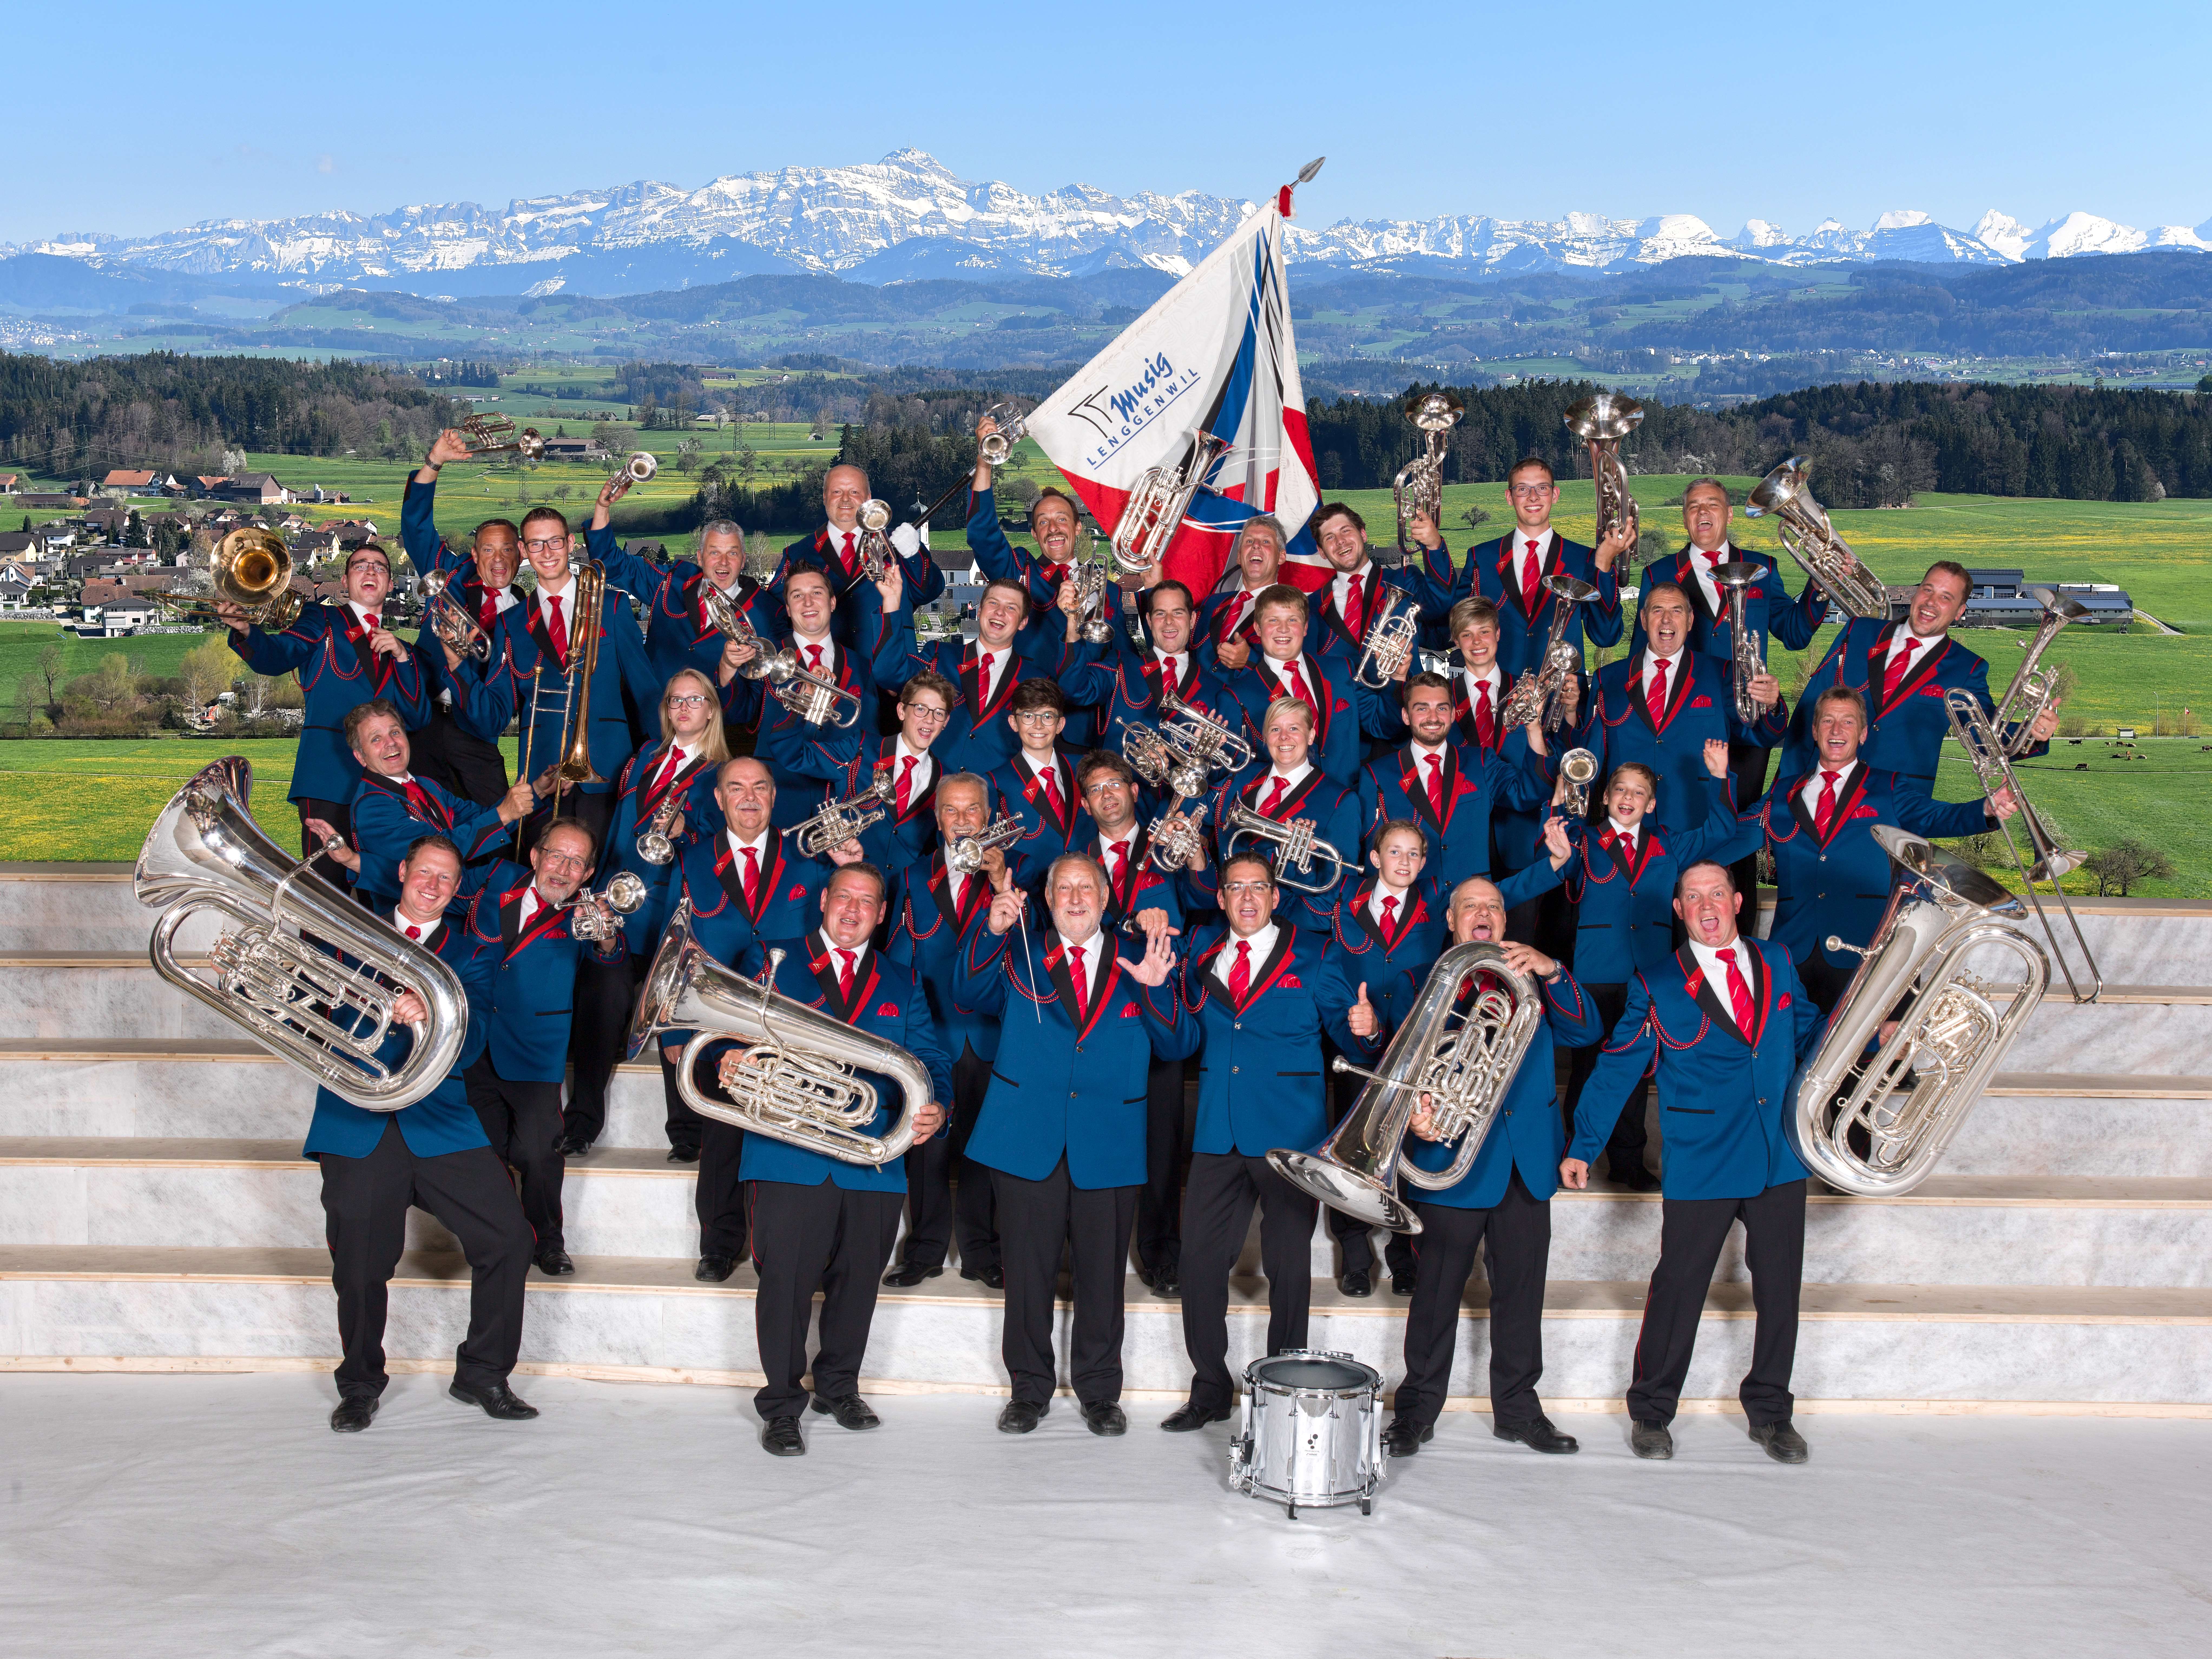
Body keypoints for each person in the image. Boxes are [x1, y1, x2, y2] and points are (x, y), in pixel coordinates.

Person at [1562, 860, 1826, 1464]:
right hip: (1702, 1163)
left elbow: (1808, 1029)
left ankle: (1770, 1412)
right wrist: (1583, 1144)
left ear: (1737, 901)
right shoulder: (1654, 982)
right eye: (1691, 897)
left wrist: (1871, 1032)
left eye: (1715, 893)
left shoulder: (1779, 961)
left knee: (1780, 1293)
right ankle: (1651, 1411)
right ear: (1677, 911)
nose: (1705, 906)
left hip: (1778, 1158)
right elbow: (1616, 1070)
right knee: (1678, 1290)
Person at [956, 855, 1198, 1435]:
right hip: (1024, 1139)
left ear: (1106, 897)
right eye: (1061, 887)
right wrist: (990, 927)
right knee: (1027, 1274)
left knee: (1102, 1276)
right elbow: (967, 992)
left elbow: (1178, 1045)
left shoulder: (1143, 955)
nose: (1073, 897)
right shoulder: (1016, 948)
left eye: (1084, 888)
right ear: (1046, 897)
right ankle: (1028, 1391)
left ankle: (1098, 1392)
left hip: (1108, 1142)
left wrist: (1155, 993)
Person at [308, 834, 536, 1431]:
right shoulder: (348, 929)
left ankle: (484, 1373)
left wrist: (435, 1011)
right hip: (359, 1118)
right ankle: (359, 1383)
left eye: (447, 879)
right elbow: (305, 1008)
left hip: (442, 1122)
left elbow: (479, 1040)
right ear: (403, 871)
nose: (433, 885)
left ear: (457, 891)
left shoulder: (473, 953)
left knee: (509, 1239)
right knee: (359, 1266)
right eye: (425, 872)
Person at [728, 862, 950, 1456]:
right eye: (843, 898)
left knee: (858, 1283)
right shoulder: (773, 962)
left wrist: (937, 1108)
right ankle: (780, 1404)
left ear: (882, 915)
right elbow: (731, 1037)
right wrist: (730, 1062)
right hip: (788, 1156)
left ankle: (837, 1386)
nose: (852, 911)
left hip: (873, 1157)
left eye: (867, 903)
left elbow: (931, 1060)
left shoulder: (903, 981)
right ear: (823, 901)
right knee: (786, 1286)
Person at [1383, 874, 1605, 1460]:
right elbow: (1397, 1072)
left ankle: (1517, 1410)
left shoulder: (1535, 977)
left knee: (1521, 1294)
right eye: (1469, 907)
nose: (1482, 913)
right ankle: (1415, 1411)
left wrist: (1553, 970)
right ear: (1451, 922)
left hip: (1524, 1161)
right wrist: (1415, 1116)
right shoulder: (1422, 984)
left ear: (1505, 922)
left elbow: (1587, 1030)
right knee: (1434, 1295)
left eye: (1493, 907)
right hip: (1451, 1161)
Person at [1163, 852, 1383, 1433]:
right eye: (1234, 888)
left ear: (1274, 895)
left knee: (1288, 1269)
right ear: (1220, 897)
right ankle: (1209, 1388)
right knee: (1200, 1264)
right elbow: (1185, 1037)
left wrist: (1368, 1030)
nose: (1246, 898)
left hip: (1291, 1142)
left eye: (1257, 888)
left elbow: (1353, 1045)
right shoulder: (1200, 955)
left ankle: (1282, 1388)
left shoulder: (1315, 955)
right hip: (1217, 1133)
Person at [670, 758, 865, 1272]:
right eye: (736, 788)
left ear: (775, 797)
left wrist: (849, 862)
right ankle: (719, 1242)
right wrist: (672, 1024)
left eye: (760, 787)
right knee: (723, 1135)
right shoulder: (691, 860)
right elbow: (674, 944)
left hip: (796, 1014)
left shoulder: (809, 857)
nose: (749, 797)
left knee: (794, 1131)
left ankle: (782, 1246)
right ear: (718, 799)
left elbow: (846, 919)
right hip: (718, 1020)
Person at [1743, 686, 2018, 1016]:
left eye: (1847, 722)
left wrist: (1986, 808)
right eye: (1828, 721)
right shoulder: (1784, 790)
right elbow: (1733, 831)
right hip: (1793, 948)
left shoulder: (1889, 786)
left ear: (1862, 735)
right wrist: (1717, 778)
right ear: (1815, 731)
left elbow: (1937, 817)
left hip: (1866, 945)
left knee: (1872, 1051)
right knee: (1791, 1054)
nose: (1836, 730)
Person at [1557, 746, 1756, 1191]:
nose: (1629, 798)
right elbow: (1559, 867)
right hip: (1594, 974)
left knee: (1635, 1068)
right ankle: (1571, 1154)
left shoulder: (1667, 843)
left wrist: (1721, 776)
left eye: (1639, 793)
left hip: (1646, 977)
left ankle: (1628, 1165)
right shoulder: (1583, 840)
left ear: (1651, 804)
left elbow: (1723, 829)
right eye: (1621, 790)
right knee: (1591, 1066)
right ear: (1605, 797)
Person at [1630, 477, 1830, 894]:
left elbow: (1794, 633)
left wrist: (1821, 583)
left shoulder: (1763, 567)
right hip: (1686, 725)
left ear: (1729, 513)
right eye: (1693, 507)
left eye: (1713, 505)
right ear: (1684, 517)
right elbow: (1641, 655)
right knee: (1683, 824)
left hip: (1749, 726)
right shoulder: (1660, 573)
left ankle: (1734, 938)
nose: (1703, 514)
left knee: (1737, 833)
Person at [561, 669, 729, 1156]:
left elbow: (725, 843)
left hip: (678, 908)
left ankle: (688, 1133)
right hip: (622, 904)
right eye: (675, 699)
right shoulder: (642, 760)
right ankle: (581, 1124)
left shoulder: (722, 771)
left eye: (694, 700)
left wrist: (690, 830)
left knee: (676, 1008)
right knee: (602, 1000)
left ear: (711, 710)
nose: (683, 708)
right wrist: (596, 891)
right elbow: (617, 830)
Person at [460, 819, 627, 1278]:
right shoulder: (495, 879)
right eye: (556, 855)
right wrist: (358, 863)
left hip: (535, 1051)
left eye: (577, 862)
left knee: (538, 1154)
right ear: (535, 856)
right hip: (473, 1043)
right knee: (485, 1150)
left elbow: (611, 956)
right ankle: (498, 1239)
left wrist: (607, 931)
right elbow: (434, 886)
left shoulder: (586, 914)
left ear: (588, 873)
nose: (564, 868)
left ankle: (548, 1242)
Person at [218, 540, 433, 889]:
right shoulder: (321, 618)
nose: (370, 571)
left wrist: (404, 661)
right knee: (327, 885)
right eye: (361, 566)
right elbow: (277, 656)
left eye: (380, 567)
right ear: (346, 582)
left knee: (384, 883)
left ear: (391, 584)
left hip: (388, 786)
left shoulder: (403, 649)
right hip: (329, 776)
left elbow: (419, 718)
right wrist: (245, 630)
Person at [446, 508, 659, 852]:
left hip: (608, 770)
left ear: (571, 543)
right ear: (524, 550)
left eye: (555, 542)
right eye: (536, 544)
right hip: (542, 781)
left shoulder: (614, 606)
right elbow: (496, 716)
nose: (547, 553)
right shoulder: (510, 623)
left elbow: (647, 694)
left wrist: (658, 771)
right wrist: (458, 666)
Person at [883, 771, 1011, 1289]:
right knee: (927, 1145)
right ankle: (925, 1249)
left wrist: (1002, 884)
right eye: (952, 812)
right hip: (930, 1034)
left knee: (986, 1145)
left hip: (992, 1033)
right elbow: (895, 961)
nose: (962, 822)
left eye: (972, 811)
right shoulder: (913, 877)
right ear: (938, 821)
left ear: (989, 817)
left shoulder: (1015, 873)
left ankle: (983, 1252)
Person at [1782, 560, 2059, 788]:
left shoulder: (1966, 668)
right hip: (1817, 785)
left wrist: (2032, 733)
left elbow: (1984, 737)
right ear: (1915, 594)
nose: (1931, 603)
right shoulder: (1859, 631)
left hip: (1897, 804)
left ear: (1959, 612)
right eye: (1927, 591)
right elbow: (1809, 710)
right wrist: (1784, 787)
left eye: (1945, 598)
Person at [1074, 749, 1187, 1296]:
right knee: (1093, 1137)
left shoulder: (1168, 843)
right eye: (1096, 790)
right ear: (1085, 802)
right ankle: (1087, 1258)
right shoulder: (1076, 861)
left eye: (1116, 785)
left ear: (1134, 790)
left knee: (1161, 1146)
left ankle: (1161, 1254)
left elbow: (1206, 903)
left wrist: (1190, 864)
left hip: (1154, 1015)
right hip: (1095, 1018)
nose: (1108, 796)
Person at [1564, 579, 1785, 828]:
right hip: (1628, 824)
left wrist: (1772, 705)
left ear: (1690, 621)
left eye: (1677, 611)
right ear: (1645, 620)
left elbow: (1760, 735)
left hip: (1699, 821)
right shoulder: (1609, 677)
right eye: (1658, 610)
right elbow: (1589, 759)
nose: (1667, 620)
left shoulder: (1723, 674)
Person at [1401, 455, 1628, 679]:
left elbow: (1606, 637)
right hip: (1495, 698)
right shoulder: (1482, 558)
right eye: (1522, 489)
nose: (1533, 497)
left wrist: (1604, 563)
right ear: (1510, 497)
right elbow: (1450, 630)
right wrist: (1401, 631)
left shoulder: (1585, 559)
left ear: (1555, 495)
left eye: (1542, 488)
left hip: (1563, 700)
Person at [400, 435, 528, 804]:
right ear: (474, 553)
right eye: (488, 549)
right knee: (421, 829)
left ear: (520, 554)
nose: (498, 559)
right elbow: (416, 526)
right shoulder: (450, 575)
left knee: (494, 831)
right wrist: (434, 461)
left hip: (476, 734)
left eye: (507, 549)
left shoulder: (526, 617)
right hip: (422, 721)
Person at [317, 700, 535, 913]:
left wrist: (539, 790)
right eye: (376, 739)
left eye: (395, 733)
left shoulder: (426, 785)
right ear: (361, 757)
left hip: (456, 892)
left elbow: (477, 816)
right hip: (426, 911)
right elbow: (436, 853)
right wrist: (504, 814)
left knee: (536, 879)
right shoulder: (372, 805)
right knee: (527, 889)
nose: (391, 743)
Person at [1358, 671, 1552, 891]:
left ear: (1453, 715)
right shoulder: (1376, 775)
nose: (1433, 717)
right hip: (1412, 908)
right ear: (1406, 716)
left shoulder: (1481, 761)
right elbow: (1371, 853)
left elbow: (1530, 792)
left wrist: (1533, 727)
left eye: (1442, 708)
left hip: (1473, 903)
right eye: (1422, 708)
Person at [1191, 696, 1362, 935]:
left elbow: (1340, 891)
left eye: (1294, 728)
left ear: (1311, 736)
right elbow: (1195, 808)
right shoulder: (1242, 775)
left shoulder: (1340, 800)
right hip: (1224, 923)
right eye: (1275, 729)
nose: (1284, 737)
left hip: (1289, 932)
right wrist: (1199, 758)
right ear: (1265, 737)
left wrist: (1302, 862)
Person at [875, 570, 1063, 776]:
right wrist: (892, 601)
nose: (1000, 612)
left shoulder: (1038, 681)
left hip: (992, 797)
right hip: (929, 790)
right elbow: (889, 674)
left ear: (1023, 623)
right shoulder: (939, 655)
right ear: (980, 610)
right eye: (993, 603)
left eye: (1011, 608)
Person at [587, 501, 783, 696]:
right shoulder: (668, 582)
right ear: (700, 558)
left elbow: (755, 700)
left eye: (733, 553)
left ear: (743, 561)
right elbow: (609, 564)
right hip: (649, 717)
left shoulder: (768, 612)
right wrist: (603, 507)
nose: (724, 562)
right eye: (714, 552)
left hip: (716, 722)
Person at [1221, 585, 1395, 789]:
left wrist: (1398, 677)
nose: (1283, 629)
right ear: (1258, 628)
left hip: (1348, 801)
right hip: (1284, 810)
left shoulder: (1342, 670)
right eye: (1273, 620)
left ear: (1305, 628)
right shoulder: (1235, 697)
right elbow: (1239, 770)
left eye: (1292, 620)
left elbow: (1382, 725)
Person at [753, 561, 873, 829]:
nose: (808, 603)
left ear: (832, 603)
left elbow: (869, 738)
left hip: (841, 796)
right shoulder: (765, 660)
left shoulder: (861, 666)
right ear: (787, 609)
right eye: (797, 596)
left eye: (817, 593)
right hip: (779, 793)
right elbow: (738, 711)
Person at [772, 461, 943, 646]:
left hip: (895, 663)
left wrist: (914, 555)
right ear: (824, 497)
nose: (845, 499)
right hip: (830, 668)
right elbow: (775, 613)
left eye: (854, 492)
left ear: (868, 498)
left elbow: (930, 592)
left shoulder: (898, 542)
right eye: (837, 492)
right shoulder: (798, 553)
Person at [828, 669, 959, 877]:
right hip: (846, 880)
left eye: (939, 713)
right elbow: (794, 754)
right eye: (920, 709)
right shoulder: (860, 748)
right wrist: (809, 700)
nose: (929, 720)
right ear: (901, 711)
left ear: (946, 722)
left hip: (900, 895)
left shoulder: (948, 782)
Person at [985, 680, 1092, 891]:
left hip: (1089, 890)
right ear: (1014, 723)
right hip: (1031, 896)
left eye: (1048, 716)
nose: (1038, 725)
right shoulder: (994, 783)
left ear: (1060, 725)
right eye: (1028, 716)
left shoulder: (1085, 768)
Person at [1302, 501, 1416, 673]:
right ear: (1322, 552)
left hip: (1401, 695)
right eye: (1330, 538)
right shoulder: (1311, 605)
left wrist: (1434, 546)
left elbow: (1442, 606)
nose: (1340, 541)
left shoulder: (1405, 579)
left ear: (1363, 534)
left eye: (1346, 531)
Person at [1198, 516, 1292, 665]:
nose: (1256, 546)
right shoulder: (1211, 603)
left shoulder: (1294, 611)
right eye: (1249, 541)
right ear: (1239, 556)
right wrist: (1151, 585)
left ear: (1282, 556)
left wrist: (1250, 661)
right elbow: (1171, 645)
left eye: (1266, 542)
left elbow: (1298, 671)